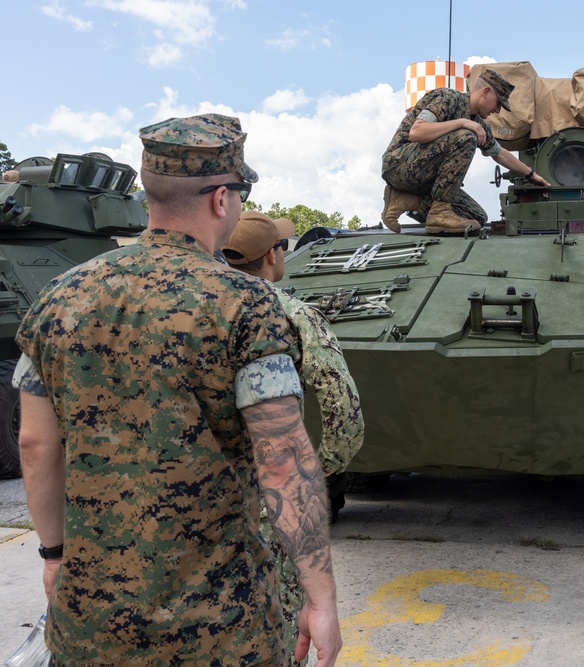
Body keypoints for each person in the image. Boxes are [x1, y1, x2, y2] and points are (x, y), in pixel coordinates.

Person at [15, 114, 343, 667]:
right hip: (222, 626)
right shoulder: (247, 304)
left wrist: (54, 554)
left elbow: (35, 445)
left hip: (92, 622)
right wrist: (321, 596)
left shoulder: (59, 296)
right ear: (222, 199)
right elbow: (282, 458)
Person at [223, 210, 364, 666]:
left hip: (195, 498)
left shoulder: (190, 304)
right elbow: (342, 407)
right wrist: (322, 469)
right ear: (273, 255)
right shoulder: (294, 314)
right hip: (272, 497)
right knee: (280, 621)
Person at [380, 68, 550, 234]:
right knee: (467, 137)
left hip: (425, 180)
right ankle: (439, 212)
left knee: (476, 218)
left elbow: (499, 153)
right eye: (498, 103)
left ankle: (406, 200)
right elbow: (417, 132)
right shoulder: (447, 98)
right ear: (485, 92)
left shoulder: (478, 123)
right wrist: (462, 122)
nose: (497, 110)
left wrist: (532, 175)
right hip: (399, 166)